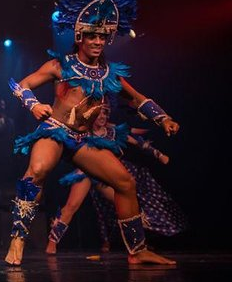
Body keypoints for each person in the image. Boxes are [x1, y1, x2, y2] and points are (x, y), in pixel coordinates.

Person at [4, 0, 179, 266]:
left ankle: (137, 251)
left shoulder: (110, 73)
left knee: (125, 182)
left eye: (102, 37)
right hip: (55, 131)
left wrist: (163, 118)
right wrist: (34, 105)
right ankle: (18, 238)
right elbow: (21, 84)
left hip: (85, 140)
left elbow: (137, 98)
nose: (98, 41)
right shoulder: (61, 65)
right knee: (37, 169)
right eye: (92, 36)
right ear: (80, 37)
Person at [46, 102, 187, 254]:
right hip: (85, 172)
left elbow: (138, 142)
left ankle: (138, 243)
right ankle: (52, 243)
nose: (102, 116)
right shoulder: (83, 130)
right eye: (99, 113)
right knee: (72, 205)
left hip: (104, 176)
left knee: (125, 202)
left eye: (105, 113)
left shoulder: (112, 131)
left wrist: (158, 154)